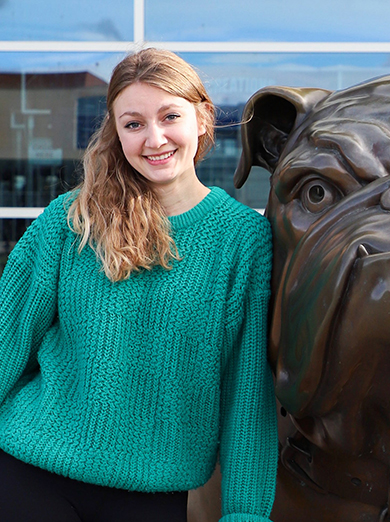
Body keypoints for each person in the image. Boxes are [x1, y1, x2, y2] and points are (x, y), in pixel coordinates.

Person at [0, 48, 277, 522]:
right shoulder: (73, 219)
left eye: (170, 116)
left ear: (203, 117)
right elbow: (7, 340)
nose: (155, 139)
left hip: (151, 493)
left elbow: (247, 392)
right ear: (116, 131)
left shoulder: (244, 240)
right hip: (28, 472)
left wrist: (245, 513)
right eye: (133, 124)